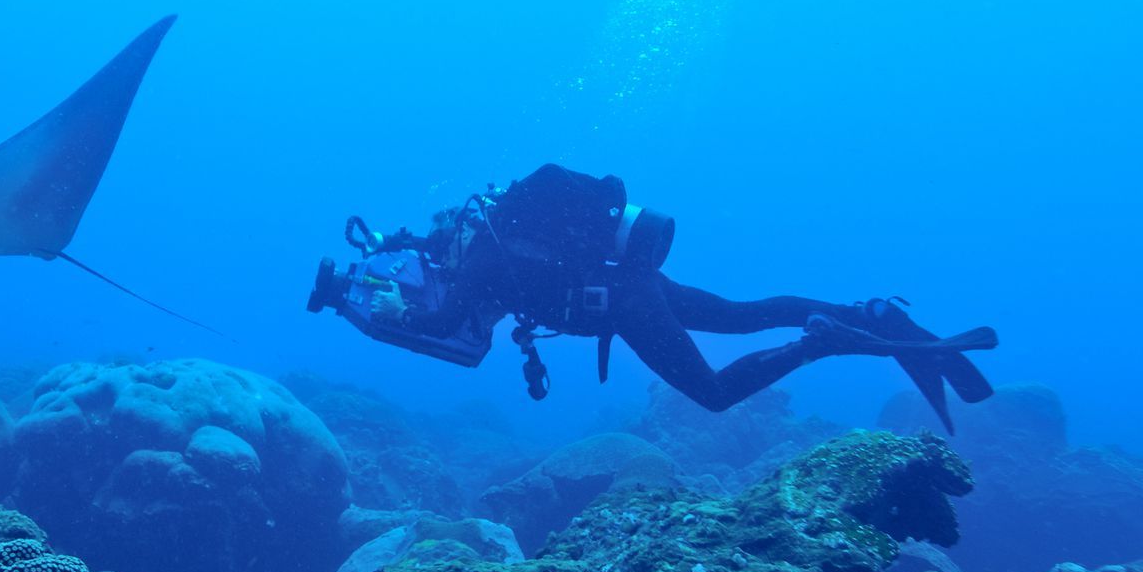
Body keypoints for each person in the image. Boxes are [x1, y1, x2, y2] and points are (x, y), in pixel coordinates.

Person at [314, 164, 995, 428]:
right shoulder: (503, 240)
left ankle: (824, 342)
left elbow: (448, 325)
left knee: (715, 392)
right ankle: (868, 312)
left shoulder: (483, 255)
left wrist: (395, 310)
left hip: (626, 307)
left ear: (452, 236)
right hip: (636, 283)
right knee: (744, 312)